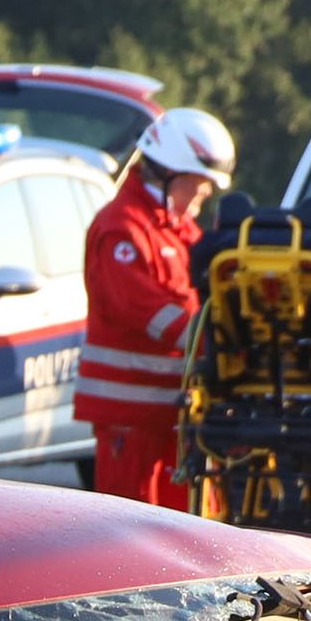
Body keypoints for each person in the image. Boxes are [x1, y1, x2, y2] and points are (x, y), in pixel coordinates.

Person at [79, 106, 234, 506]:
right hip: (129, 417)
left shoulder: (177, 228)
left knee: (179, 534)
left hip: (171, 416)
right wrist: (215, 341)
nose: (204, 194)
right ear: (169, 173)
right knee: (126, 535)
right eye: (199, 184)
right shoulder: (122, 229)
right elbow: (143, 309)